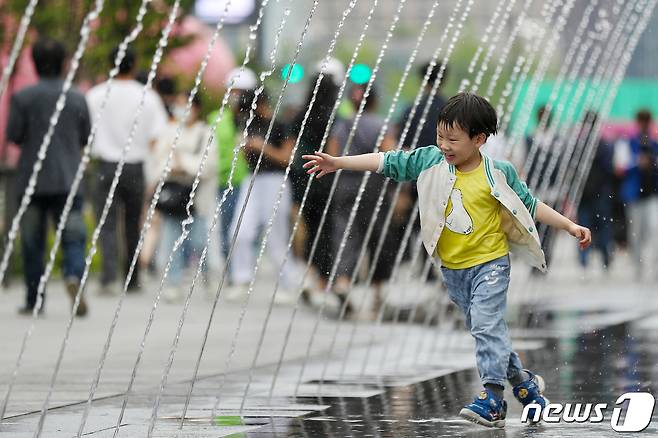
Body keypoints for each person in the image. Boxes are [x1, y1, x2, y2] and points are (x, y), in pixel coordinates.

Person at [303, 92, 592, 428]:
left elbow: (530, 204)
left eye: (453, 139)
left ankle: (493, 400)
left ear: (479, 139)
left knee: (486, 327)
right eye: (441, 136)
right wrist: (340, 162)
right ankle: (525, 385)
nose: (445, 145)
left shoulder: (498, 172)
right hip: (453, 270)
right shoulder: (429, 161)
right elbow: (386, 161)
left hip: (491, 265)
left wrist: (569, 225)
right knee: (488, 331)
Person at [7, 37, 90, 316]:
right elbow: (85, 136)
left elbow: (14, 135)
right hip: (68, 178)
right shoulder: (77, 96)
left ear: (34, 62)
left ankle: (34, 298)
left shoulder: (23, 97)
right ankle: (73, 275)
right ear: (64, 63)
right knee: (74, 236)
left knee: (32, 242)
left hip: (32, 180)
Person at [86, 47, 168, 294]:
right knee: (133, 223)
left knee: (106, 222)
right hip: (135, 166)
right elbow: (158, 137)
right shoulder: (148, 97)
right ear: (134, 66)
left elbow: (87, 135)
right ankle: (132, 278)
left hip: (105, 165)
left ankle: (108, 277)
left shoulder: (95, 95)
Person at [325, 84, 397, 315]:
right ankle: (378, 293)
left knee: (345, 233)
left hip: (345, 185)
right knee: (376, 236)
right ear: (374, 102)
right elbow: (390, 155)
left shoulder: (342, 124)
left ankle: (343, 281)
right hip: (373, 187)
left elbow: (332, 153)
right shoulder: (381, 125)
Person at [225, 90, 297, 304]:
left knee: (276, 235)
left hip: (275, 181)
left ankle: (288, 283)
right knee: (239, 231)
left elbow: (287, 158)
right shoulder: (248, 124)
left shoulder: (281, 125)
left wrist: (263, 148)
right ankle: (242, 278)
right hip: (253, 179)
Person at [150, 93, 216, 302]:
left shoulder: (205, 133)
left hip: (196, 198)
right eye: (178, 105)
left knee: (198, 240)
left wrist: (183, 163)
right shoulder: (169, 132)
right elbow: (159, 161)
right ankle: (173, 283)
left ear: (196, 107)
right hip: (173, 196)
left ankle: (208, 276)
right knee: (171, 240)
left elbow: (209, 165)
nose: (182, 110)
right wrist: (176, 166)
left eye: (186, 105)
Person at [288, 70, 341, 295]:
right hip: (324, 177)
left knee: (306, 225)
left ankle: (308, 272)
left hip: (302, 175)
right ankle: (323, 280)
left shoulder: (301, 114)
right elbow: (333, 149)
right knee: (326, 228)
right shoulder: (334, 117)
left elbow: (291, 147)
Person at [209, 67, 252, 264]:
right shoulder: (217, 118)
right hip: (224, 179)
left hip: (249, 179)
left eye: (241, 92)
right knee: (227, 225)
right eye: (233, 91)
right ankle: (231, 265)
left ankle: (244, 264)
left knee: (245, 227)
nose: (237, 97)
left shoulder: (253, 119)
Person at [620, 109, 658, 280]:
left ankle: (654, 263)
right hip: (634, 194)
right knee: (636, 232)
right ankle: (638, 264)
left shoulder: (654, 143)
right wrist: (637, 162)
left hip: (652, 194)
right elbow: (621, 165)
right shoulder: (629, 142)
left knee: (654, 228)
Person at [577, 111, 614, 272]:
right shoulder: (604, 144)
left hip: (585, 193)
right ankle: (605, 258)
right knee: (603, 225)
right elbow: (609, 169)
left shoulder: (579, 145)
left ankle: (585, 261)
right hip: (600, 192)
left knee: (583, 226)